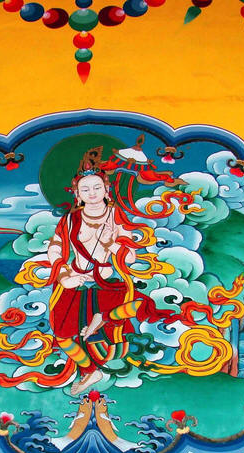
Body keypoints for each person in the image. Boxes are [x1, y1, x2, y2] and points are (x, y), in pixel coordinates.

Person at [46, 147, 173, 396]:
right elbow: (55, 247)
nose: (92, 193)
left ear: (106, 190)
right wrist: (64, 275)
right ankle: (89, 370)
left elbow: (131, 256)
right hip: (75, 280)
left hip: (107, 281)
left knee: (137, 307)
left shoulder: (116, 216)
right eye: (85, 189)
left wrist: (110, 244)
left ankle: (102, 317)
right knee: (61, 333)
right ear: (77, 194)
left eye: (97, 187)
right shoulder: (70, 220)